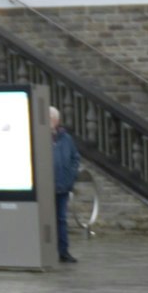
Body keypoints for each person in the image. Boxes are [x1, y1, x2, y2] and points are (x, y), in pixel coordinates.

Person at [50, 107, 81, 263]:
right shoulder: (39, 137)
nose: (51, 121)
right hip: (46, 187)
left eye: (53, 118)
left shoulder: (66, 138)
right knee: (47, 219)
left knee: (61, 219)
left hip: (62, 185)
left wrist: (71, 175)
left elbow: (75, 158)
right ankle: (46, 250)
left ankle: (63, 251)